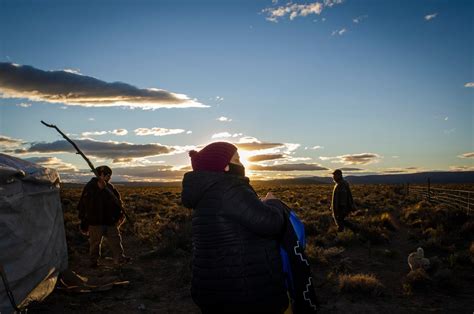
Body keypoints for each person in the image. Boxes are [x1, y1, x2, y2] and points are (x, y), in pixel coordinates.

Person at [181, 142, 288, 314]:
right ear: (225, 167)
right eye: (237, 159)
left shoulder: (206, 193)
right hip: (243, 292)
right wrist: (273, 202)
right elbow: (270, 223)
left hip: (213, 288)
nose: (242, 164)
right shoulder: (229, 189)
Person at [77, 165, 129, 267]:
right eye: (108, 175)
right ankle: (93, 262)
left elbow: (117, 202)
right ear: (101, 174)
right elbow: (86, 204)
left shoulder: (110, 187)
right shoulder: (90, 187)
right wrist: (99, 190)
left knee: (116, 240)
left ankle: (120, 259)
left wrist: (119, 214)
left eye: (110, 175)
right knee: (95, 244)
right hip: (95, 222)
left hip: (110, 221)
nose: (109, 177)